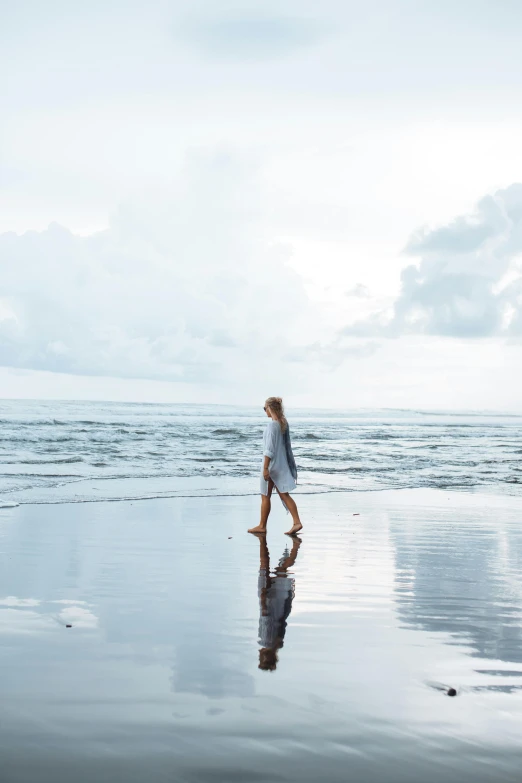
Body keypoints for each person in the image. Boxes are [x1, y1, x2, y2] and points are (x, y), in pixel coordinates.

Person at [248, 396, 302, 536]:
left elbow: (269, 449)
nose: (264, 410)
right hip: (281, 465)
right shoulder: (283, 423)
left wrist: (265, 468)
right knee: (284, 495)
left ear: (270, 408)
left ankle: (262, 526)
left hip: (271, 466)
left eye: (265, 408)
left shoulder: (272, 425)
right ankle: (297, 522)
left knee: (265, 496)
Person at [256, 534, 301, 671]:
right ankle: (296, 545)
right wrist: (263, 599)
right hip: (271, 603)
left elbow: (283, 621)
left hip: (281, 606)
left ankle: (295, 546)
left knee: (280, 571)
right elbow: (265, 616)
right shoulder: (264, 640)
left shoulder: (279, 643)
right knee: (268, 567)